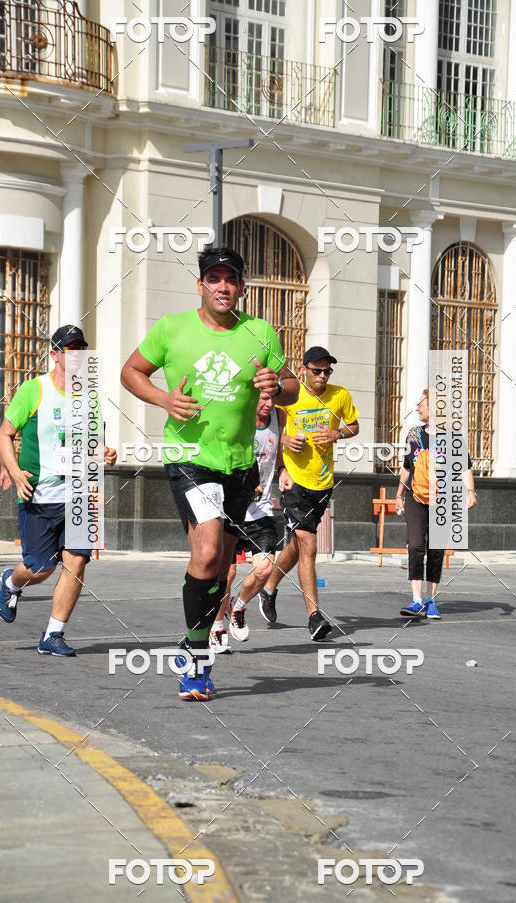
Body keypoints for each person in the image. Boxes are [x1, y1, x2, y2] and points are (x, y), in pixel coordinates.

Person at [120, 246, 299, 700]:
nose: (223, 286)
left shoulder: (259, 333)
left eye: (231, 279)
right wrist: (164, 400)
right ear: (200, 284)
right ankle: (197, 663)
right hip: (189, 457)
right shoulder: (172, 328)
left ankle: (192, 637)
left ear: (241, 287)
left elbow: (293, 388)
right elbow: (131, 372)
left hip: (239, 465)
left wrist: (276, 387)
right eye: (214, 278)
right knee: (206, 552)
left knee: (221, 566)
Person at [0, 325, 117, 655]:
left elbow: (97, 444)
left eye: (81, 349)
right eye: (69, 349)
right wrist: (15, 469)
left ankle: (53, 634)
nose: (76, 354)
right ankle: (11, 582)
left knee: (76, 562)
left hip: (77, 494)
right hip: (38, 494)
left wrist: (105, 453)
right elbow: (3, 435)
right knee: (40, 567)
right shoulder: (34, 391)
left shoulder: (89, 397)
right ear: (55, 355)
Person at [260, 347, 359, 640]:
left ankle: (268, 588)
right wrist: (285, 447)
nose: (322, 376)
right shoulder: (290, 397)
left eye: (327, 371)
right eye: (317, 371)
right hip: (295, 482)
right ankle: (314, 617)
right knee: (310, 544)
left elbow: (354, 426)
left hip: (323, 482)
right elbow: (272, 432)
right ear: (304, 370)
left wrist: (337, 433)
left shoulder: (340, 396)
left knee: (298, 545)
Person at [395, 388, 477, 619]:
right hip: (415, 497)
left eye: (421, 403)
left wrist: (470, 491)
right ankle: (416, 600)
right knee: (416, 544)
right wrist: (399, 494)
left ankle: (431, 600)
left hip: (442, 499)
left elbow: (464, 467)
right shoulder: (413, 434)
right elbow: (407, 467)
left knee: (436, 549)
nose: (417, 407)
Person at [209, 392, 281, 653]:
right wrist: (243, 483)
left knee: (265, 567)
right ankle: (217, 627)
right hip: (230, 505)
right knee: (226, 573)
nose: (268, 404)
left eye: (272, 399)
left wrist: (283, 471)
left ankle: (237, 606)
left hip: (260, 509)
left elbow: (278, 452)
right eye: (262, 399)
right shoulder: (236, 420)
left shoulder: (278, 417)